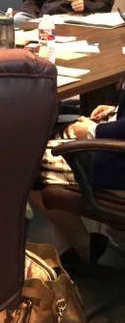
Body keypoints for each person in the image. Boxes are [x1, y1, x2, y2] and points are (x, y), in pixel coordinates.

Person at [30, 97, 125, 266]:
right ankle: (78, 249)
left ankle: (86, 251)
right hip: (116, 147)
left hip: (116, 168)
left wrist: (95, 130)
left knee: (23, 164)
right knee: (62, 127)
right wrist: (117, 111)